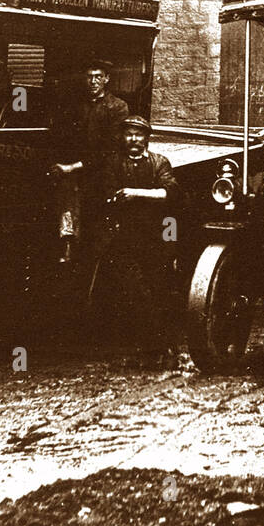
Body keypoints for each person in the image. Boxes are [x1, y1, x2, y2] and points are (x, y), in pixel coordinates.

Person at [97, 116, 182, 352]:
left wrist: (136, 194)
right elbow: (109, 195)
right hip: (123, 237)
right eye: (129, 134)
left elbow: (171, 193)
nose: (133, 139)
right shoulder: (113, 162)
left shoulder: (159, 162)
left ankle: (163, 345)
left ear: (147, 138)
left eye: (138, 134)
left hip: (155, 236)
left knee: (160, 287)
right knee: (132, 290)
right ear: (122, 138)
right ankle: (144, 343)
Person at [51, 60, 129, 262]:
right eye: (89, 77)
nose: (93, 81)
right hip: (77, 168)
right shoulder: (77, 105)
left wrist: (73, 167)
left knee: (98, 214)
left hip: (104, 170)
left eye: (98, 77)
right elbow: (66, 136)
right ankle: (67, 244)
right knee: (66, 192)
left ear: (106, 79)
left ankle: (99, 256)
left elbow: (111, 148)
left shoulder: (118, 107)